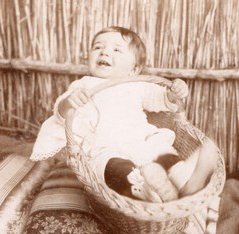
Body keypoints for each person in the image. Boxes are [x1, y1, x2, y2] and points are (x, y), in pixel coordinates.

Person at [30, 26, 217, 202]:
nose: (104, 52)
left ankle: (182, 178)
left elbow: (159, 99)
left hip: (143, 143)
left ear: (133, 70)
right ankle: (143, 190)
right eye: (98, 47)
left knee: (162, 152)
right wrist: (69, 102)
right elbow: (62, 115)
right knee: (111, 167)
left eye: (117, 50)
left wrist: (173, 93)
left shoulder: (136, 85)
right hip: (106, 148)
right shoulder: (84, 85)